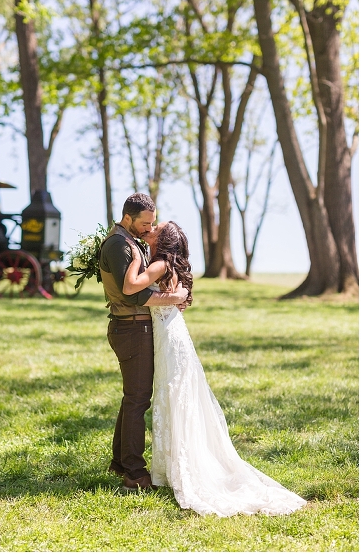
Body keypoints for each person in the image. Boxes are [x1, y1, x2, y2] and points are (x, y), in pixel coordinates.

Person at [122, 221, 307, 516]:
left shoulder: (157, 265)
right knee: (174, 396)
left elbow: (131, 286)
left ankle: (181, 466)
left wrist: (132, 258)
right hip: (170, 333)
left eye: (157, 226)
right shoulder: (163, 263)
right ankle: (172, 465)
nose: (152, 226)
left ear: (162, 239)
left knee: (174, 396)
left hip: (169, 338)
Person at [99, 193, 188, 490]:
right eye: (145, 223)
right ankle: (134, 474)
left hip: (139, 327)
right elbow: (132, 294)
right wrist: (174, 298)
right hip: (131, 328)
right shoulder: (118, 244)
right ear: (128, 218)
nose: (149, 229)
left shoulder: (131, 242)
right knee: (138, 400)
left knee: (133, 398)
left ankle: (121, 462)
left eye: (153, 224)